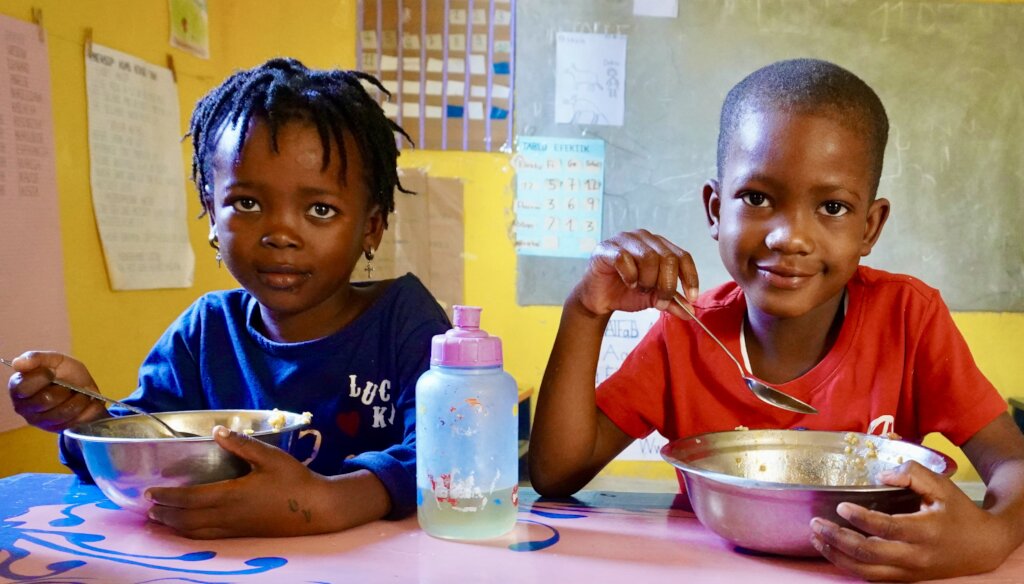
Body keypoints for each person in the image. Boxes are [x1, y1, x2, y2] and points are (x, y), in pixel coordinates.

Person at [529, 58, 1024, 581]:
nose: (790, 237)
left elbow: (1014, 464)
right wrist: (585, 310)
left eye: (832, 207)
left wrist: (990, 537)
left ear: (870, 227)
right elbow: (557, 472)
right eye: (757, 198)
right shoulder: (689, 333)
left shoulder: (908, 319)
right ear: (716, 210)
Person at [7, 58, 451, 539]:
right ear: (211, 216)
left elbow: (452, 452)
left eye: (320, 209)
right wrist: (91, 420)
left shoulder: (406, 322)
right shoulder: (204, 332)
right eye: (247, 204)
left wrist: (330, 502)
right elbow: (146, 444)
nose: (280, 233)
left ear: (371, 228)